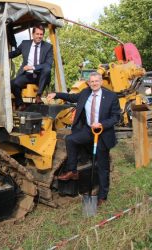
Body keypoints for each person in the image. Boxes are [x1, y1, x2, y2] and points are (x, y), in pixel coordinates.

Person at [47, 72, 121, 206]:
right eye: (91, 81)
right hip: (88, 130)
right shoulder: (85, 93)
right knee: (70, 139)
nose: (94, 83)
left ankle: (102, 196)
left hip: (102, 133)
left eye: (96, 81)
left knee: (102, 166)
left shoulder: (110, 96)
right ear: (89, 82)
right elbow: (71, 97)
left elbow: (116, 117)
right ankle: (73, 171)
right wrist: (56, 94)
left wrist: (102, 124)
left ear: (101, 82)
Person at [10, 24, 53, 111]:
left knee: (47, 69)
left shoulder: (48, 47)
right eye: (37, 34)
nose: (39, 36)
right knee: (13, 83)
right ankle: (20, 104)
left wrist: (32, 67)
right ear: (33, 35)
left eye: (41, 34)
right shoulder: (25, 44)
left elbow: (48, 64)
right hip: (28, 75)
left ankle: (38, 96)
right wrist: (0, 54)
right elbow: (14, 53)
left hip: (40, 76)